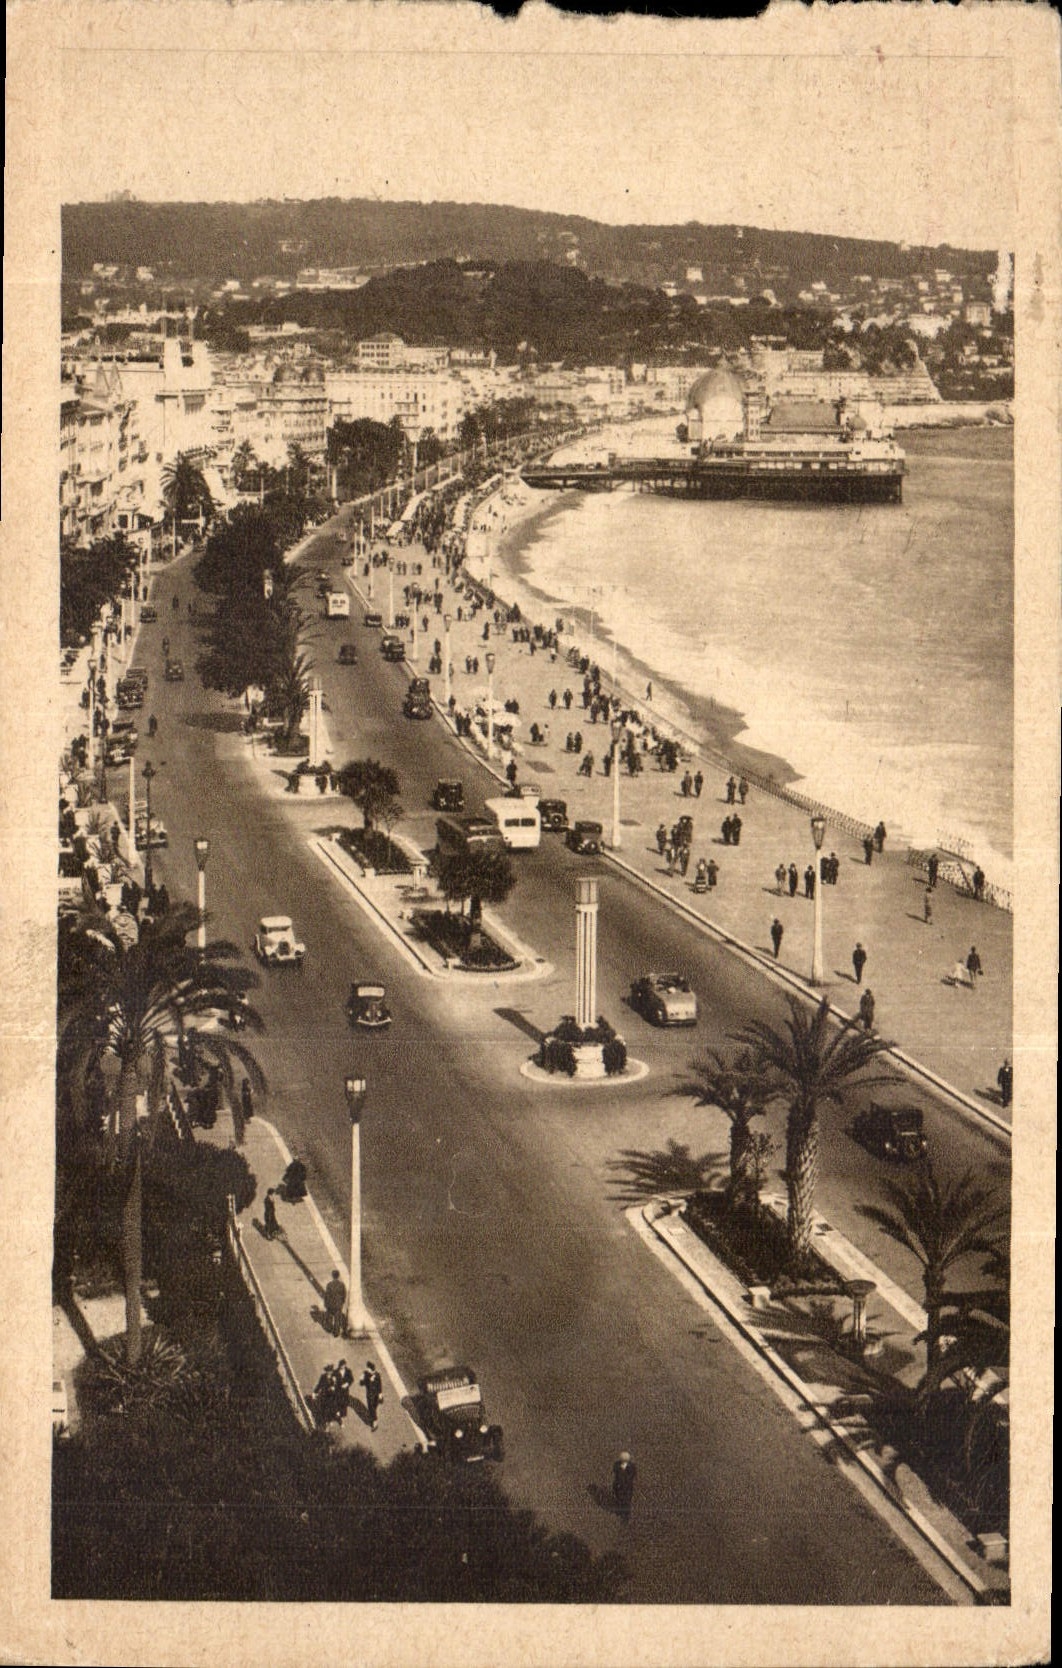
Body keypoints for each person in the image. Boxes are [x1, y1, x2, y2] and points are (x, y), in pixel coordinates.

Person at [612, 1452, 637, 1523]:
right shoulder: (616, 1465)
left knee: (626, 1501)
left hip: (627, 1487)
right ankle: (620, 1511)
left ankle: (626, 1516)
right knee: (619, 1499)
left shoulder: (631, 1467)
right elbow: (615, 1473)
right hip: (618, 1486)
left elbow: (631, 1476)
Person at [324, 1269, 348, 1338]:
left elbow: (327, 1295)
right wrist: (342, 1301)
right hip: (338, 1304)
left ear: (332, 1276)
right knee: (337, 1318)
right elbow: (344, 1294)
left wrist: (326, 1303)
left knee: (330, 1316)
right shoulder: (341, 1285)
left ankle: (329, 1328)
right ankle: (336, 1331)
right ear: (338, 1276)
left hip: (331, 1304)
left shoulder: (329, 1285)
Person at [361, 1360, 384, 1429]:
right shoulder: (366, 1375)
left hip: (376, 1395)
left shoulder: (377, 1375)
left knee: (374, 1408)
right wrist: (368, 1380)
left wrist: (380, 1393)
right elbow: (361, 1383)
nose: (367, 1369)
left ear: (371, 1369)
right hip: (370, 1395)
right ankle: (375, 1421)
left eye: (368, 1368)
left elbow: (379, 1384)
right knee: (371, 1408)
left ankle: (373, 1418)